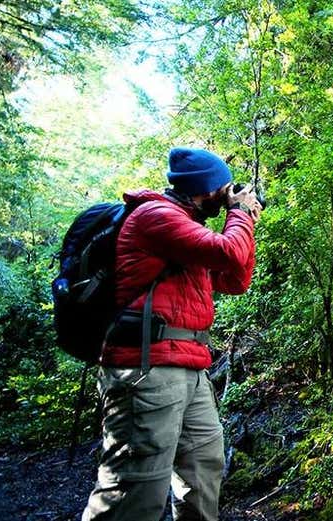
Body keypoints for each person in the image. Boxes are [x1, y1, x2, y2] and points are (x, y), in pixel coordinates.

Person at [82, 147, 262, 521]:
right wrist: (239, 214)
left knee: (203, 471)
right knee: (135, 486)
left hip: (191, 370)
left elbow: (234, 278)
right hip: (148, 369)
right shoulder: (156, 216)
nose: (229, 194)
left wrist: (245, 222)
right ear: (207, 188)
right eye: (225, 187)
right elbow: (228, 253)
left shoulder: (188, 227)